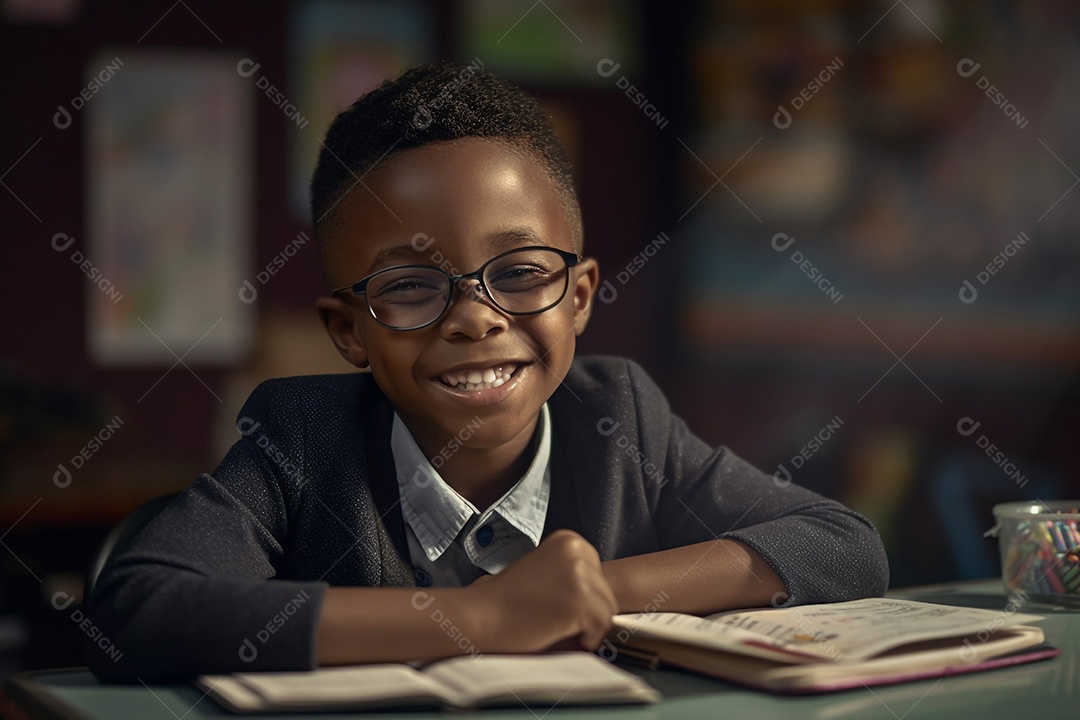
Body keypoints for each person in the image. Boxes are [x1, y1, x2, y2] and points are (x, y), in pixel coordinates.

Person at [85, 63, 888, 682]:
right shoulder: (302, 442)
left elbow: (841, 545)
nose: (475, 317)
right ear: (349, 331)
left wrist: (588, 591)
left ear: (578, 297)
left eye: (522, 271)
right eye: (407, 286)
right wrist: (478, 618)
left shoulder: (619, 420)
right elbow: (139, 605)